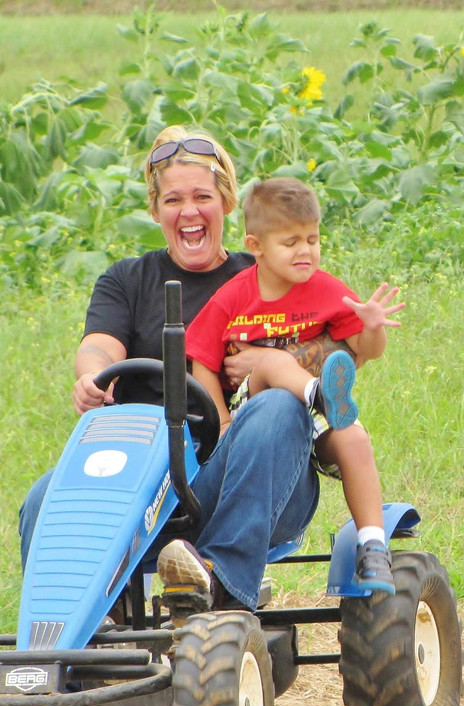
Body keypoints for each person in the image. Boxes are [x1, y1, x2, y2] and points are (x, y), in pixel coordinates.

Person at [18, 125, 347, 612]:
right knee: (45, 497)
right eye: (173, 200)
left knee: (278, 405)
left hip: (248, 470)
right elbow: (98, 348)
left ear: (227, 203)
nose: (189, 212)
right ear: (155, 211)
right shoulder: (127, 281)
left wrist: (273, 361)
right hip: (147, 485)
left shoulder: (266, 277)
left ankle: (218, 587)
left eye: (201, 197)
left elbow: (336, 352)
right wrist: (92, 376)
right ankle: (79, 635)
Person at [183, 177, 404, 594]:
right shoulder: (233, 297)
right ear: (257, 246)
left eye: (313, 239)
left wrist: (373, 327)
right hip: (255, 410)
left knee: (355, 438)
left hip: (312, 419)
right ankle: (318, 392)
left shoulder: (327, 290)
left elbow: (366, 350)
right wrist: (224, 421)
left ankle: (373, 547)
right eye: (291, 243)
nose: (305, 251)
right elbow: (202, 362)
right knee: (272, 362)